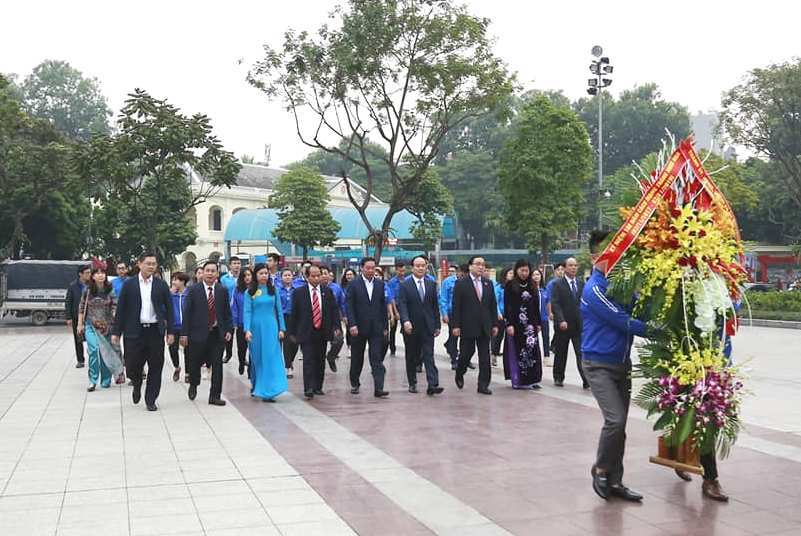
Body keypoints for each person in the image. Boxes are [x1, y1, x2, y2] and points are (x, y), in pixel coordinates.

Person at [582, 231, 648, 502]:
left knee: (620, 426)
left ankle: (616, 481)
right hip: (597, 364)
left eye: (618, 253)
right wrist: (657, 331)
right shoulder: (594, 289)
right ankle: (600, 468)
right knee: (615, 420)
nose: (615, 258)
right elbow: (624, 321)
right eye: (609, 253)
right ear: (595, 257)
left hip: (622, 364)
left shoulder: (620, 286)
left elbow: (639, 310)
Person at [112, 252, 175, 412]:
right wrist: (116, 332)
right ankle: (137, 383)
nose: (151, 266)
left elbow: (169, 309)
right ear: (139, 264)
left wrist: (171, 332)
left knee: (156, 366)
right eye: (148, 263)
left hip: (155, 331)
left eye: (154, 264)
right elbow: (121, 310)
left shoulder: (161, 285)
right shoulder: (129, 284)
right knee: (132, 365)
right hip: (134, 331)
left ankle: (150, 399)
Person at [180, 261, 232, 406]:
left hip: (216, 334)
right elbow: (187, 313)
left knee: (217, 366)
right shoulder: (193, 290)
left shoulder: (222, 290)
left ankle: (215, 395)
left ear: (217, 274)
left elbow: (227, 313)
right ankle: (194, 384)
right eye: (207, 271)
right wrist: (184, 334)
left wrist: (228, 329)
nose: (210, 273)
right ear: (202, 273)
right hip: (197, 334)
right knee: (195, 363)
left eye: (213, 271)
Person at [288, 265, 341, 399]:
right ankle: (309, 387)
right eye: (313, 276)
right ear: (307, 277)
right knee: (308, 359)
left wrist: (336, 327)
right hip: (306, 331)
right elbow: (294, 313)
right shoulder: (299, 292)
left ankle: (318, 386)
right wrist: (292, 332)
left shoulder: (327, 291)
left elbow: (334, 310)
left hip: (323, 330)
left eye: (319, 275)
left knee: (320, 359)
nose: (317, 278)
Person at [451, 256, 499, 395]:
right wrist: (456, 326)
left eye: (483, 265)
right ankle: (460, 372)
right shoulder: (461, 283)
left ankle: (483, 385)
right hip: (467, 325)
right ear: (470, 266)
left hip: (485, 326)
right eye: (478, 264)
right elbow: (456, 306)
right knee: (466, 354)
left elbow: (492, 305)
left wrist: (494, 323)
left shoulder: (488, 283)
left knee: (485, 357)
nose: (481, 267)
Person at [397, 255, 444, 396]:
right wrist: (405, 321)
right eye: (418, 266)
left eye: (423, 265)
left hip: (427, 326)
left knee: (429, 355)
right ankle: (412, 382)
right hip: (410, 327)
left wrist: (437, 324)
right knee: (412, 355)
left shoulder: (431, 284)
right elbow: (402, 304)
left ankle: (432, 384)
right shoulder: (405, 284)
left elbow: (434, 306)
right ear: (412, 268)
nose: (420, 268)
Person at [244, 263, 288, 401]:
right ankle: (257, 385)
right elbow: (247, 312)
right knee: (258, 358)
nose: (264, 276)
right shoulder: (249, 292)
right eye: (261, 273)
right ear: (255, 275)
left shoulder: (273, 291)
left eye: (266, 273)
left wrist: (282, 328)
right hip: (256, 329)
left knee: (271, 357)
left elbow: (279, 311)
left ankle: (269, 390)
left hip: (271, 327)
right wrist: (247, 330)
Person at [347, 257, 389, 398]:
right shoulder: (353, 284)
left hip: (376, 327)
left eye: (373, 268)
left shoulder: (380, 284)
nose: (370, 270)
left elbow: (383, 306)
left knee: (376, 358)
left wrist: (385, 326)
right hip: (358, 327)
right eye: (368, 268)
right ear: (362, 268)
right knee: (357, 358)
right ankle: (355, 383)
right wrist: (352, 324)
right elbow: (350, 306)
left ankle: (379, 388)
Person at [77, 266, 124, 391]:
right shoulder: (87, 291)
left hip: (106, 327)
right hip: (90, 326)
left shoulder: (110, 290)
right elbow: (81, 308)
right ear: (92, 276)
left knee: (105, 352)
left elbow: (115, 306)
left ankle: (106, 379)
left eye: (102, 273)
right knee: (93, 350)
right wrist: (80, 324)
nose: (100, 275)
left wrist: (115, 319)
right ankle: (92, 380)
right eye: (97, 273)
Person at [502, 260, 543, 390]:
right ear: (516, 270)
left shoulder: (533, 285)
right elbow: (508, 305)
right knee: (519, 351)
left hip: (531, 325)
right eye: (522, 270)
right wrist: (509, 324)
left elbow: (536, 306)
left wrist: (538, 323)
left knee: (532, 350)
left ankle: (534, 379)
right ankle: (518, 379)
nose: (524, 273)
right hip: (516, 324)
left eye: (526, 270)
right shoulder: (510, 285)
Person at [550, 257, 589, 389]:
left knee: (581, 353)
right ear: (565, 268)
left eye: (575, 265)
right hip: (563, 325)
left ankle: (586, 379)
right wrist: (561, 320)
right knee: (561, 353)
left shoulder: (581, 284)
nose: (573, 268)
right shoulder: (557, 284)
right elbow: (555, 304)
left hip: (578, 325)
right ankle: (558, 377)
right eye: (571, 265)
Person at [320, 266, 346, 372]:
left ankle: (331, 356)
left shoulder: (336, 288)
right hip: (318, 321)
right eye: (321, 273)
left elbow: (341, 303)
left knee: (339, 340)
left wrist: (344, 316)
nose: (324, 276)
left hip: (332, 320)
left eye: (326, 273)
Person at [65, 264, 91, 369]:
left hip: (90, 316)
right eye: (87, 273)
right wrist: (68, 317)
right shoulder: (73, 286)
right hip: (77, 316)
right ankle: (80, 360)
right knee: (78, 339)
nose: (89, 275)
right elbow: (68, 302)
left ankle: (94, 357)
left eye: (90, 272)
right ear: (80, 274)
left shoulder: (92, 285)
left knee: (92, 338)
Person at [230, 268, 254, 376]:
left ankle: (251, 369)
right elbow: (234, 307)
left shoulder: (256, 289)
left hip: (254, 323)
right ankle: (241, 362)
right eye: (245, 276)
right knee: (241, 348)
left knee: (252, 348)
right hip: (241, 323)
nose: (247, 277)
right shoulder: (237, 290)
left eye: (249, 275)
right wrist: (234, 322)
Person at [168, 272, 190, 383]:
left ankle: (188, 373)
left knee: (188, 350)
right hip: (173, 326)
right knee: (172, 348)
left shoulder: (190, 294)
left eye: (176, 280)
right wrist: (169, 295)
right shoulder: (171, 295)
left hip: (187, 327)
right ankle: (177, 367)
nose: (173, 282)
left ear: (182, 282)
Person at [220, 256, 241, 364]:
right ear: (230, 265)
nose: (237, 265)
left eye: (238, 263)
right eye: (234, 263)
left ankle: (242, 356)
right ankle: (228, 354)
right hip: (229, 309)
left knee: (241, 334)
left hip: (241, 309)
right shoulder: (224, 279)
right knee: (229, 333)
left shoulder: (244, 277)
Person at [279, 268, 299, 378]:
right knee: (286, 343)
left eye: (289, 275)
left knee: (295, 342)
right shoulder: (278, 290)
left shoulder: (297, 290)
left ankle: (290, 360)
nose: (287, 277)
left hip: (295, 318)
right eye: (285, 275)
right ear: (281, 277)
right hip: (284, 318)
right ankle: (288, 367)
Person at [439, 264, 460, 369]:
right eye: (450, 270)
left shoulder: (465, 281)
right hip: (452, 313)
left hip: (464, 314)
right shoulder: (447, 282)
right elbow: (443, 298)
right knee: (453, 335)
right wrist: (444, 313)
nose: (452, 272)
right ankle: (454, 359)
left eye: (453, 270)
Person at [492, 268, 514, 367]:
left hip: (511, 315)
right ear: (505, 274)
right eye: (510, 273)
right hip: (500, 315)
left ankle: (509, 357)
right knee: (498, 336)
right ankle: (494, 354)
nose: (512, 275)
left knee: (510, 337)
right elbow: (495, 301)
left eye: (513, 273)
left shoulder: (515, 287)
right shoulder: (499, 288)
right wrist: (498, 313)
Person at [544, 262, 565, 367]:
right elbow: (549, 299)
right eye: (558, 269)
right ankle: (553, 346)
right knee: (558, 329)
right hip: (556, 310)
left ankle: (553, 345)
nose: (561, 271)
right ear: (555, 271)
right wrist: (550, 312)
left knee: (560, 330)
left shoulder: (566, 282)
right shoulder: (552, 283)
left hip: (564, 311)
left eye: (562, 269)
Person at [386, 261, 406, 356]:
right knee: (393, 329)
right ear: (396, 270)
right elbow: (391, 297)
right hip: (395, 307)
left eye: (403, 271)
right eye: (400, 271)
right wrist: (395, 312)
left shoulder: (407, 280)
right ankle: (392, 348)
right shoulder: (392, 282)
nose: (402, 273)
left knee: (406, 327)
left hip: (405, 307)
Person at [340, 268, 357, 355]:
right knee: (348, 330)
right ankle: (349, 347)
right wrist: (344, 315)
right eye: (347, 274)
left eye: (351, 274)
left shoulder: (358, 286)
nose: (349, 276)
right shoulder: (342, 287)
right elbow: (342, 302)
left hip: (357, 312)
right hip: (346, 312)